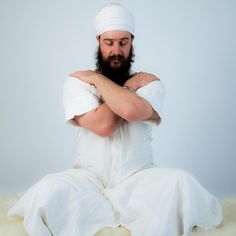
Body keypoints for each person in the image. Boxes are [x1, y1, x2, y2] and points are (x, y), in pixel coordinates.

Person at [8, 3, 223, 236]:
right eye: (109, 43)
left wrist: (102, 81)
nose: (116, 51)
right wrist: (104, 82)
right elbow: (104, 125)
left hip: (140, 180)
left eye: (123, 42)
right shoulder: (78, 83)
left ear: (132, 42)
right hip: (87, 181)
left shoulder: (149, 83)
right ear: (99, 41)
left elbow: (130, 111)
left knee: (181, 183)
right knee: (47, 190)